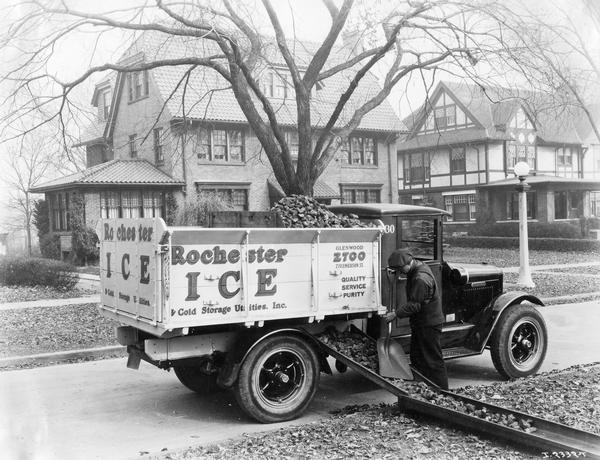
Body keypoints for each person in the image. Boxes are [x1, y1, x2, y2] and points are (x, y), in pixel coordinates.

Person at [385, 248, 449, 390]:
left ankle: (443, 392)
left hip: (429, 324)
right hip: (422, 323)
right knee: (418, 358)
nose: (400, 273)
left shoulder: (420, 278)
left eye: (400, 270)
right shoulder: (417, 267)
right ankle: (424, 390)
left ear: (407, 264)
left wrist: (395, 314)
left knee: (433, 360)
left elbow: (415, 306)